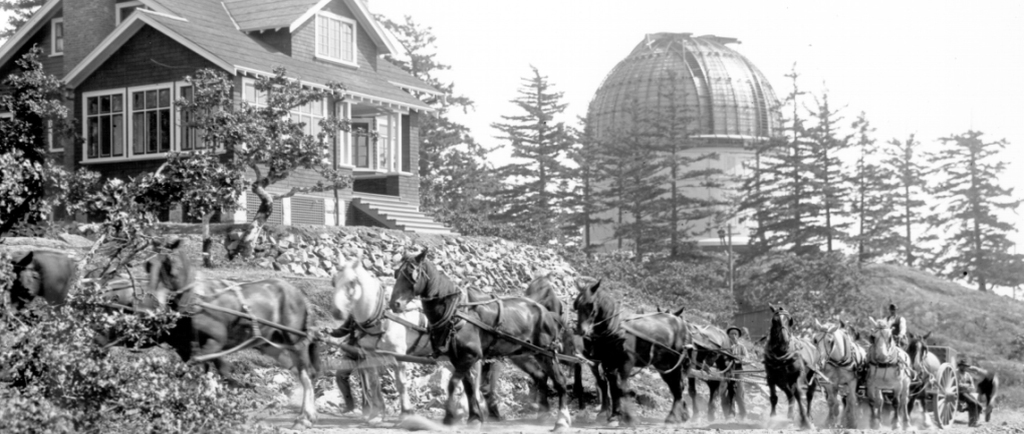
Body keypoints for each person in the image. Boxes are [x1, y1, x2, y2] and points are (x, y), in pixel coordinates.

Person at [723, 326, 748, 420]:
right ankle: (731, 414)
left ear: (738, 336)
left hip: (738, 371)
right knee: (729, 393)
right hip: (728, 371)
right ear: (728, 336)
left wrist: (739, 359)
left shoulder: (741, 347)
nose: (733, 336)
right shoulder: (724, 347)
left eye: (735, 334)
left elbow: (747, 358)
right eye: (731, 334)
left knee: (739, 393)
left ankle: (743, 414)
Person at [957, 358, 982, 427]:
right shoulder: (956, 373)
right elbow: (958, 385)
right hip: (959, 393)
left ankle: (975, 420)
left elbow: (972, 386)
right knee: (973, 403)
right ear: (960, 366)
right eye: (962, 365)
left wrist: (965, 385)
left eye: (965, 366)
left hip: (967, 392)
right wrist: (966, 385)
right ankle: (972, 422)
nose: (964, 367)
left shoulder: (967, 375)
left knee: (979, 405)